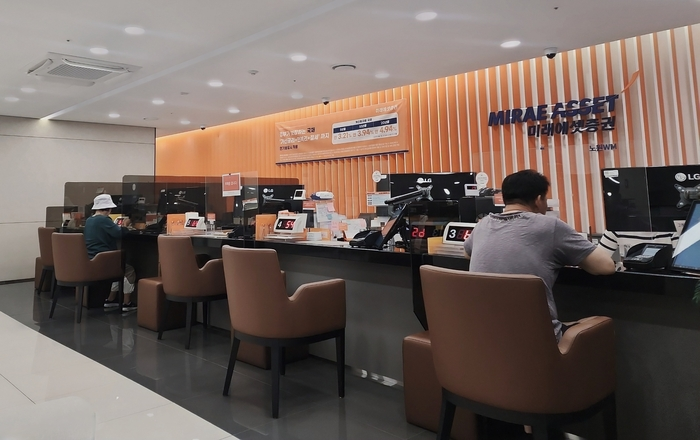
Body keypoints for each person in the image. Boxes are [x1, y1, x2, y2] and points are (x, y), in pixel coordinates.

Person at [463, 169, 615, 342]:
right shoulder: (550, 226)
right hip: (538, 340)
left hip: (485, 338)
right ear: (538, 200)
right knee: (600, 323)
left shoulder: (482, 225)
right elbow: (606, 266)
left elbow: (467, 253)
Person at [84, 194, 137, 312]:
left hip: (91, 259)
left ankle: (111, 299)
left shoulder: (89, 220)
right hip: (104, 261)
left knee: (117, 269)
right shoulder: (103, 220)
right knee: (128, 270)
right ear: (109, 209)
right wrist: (125, 225)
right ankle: (127, 302)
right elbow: (119, 233)